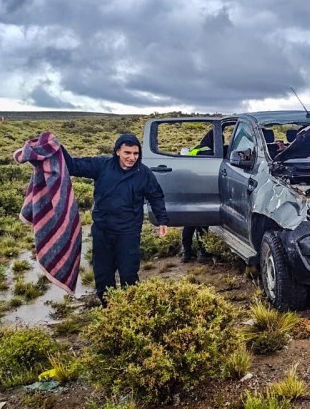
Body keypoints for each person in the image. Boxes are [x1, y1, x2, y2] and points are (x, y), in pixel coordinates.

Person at [61, 134, 169, 306]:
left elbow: (156, 196)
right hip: (103, 229)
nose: (132, 158)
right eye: (127, 152)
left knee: (129, 274)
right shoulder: (102, 165)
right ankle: (108, 308)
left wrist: (162, 220)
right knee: (103, 274)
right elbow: (73, 166)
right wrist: (56, 146)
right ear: (117, 151)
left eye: (135, 153)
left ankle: (129, 310)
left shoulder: (144, 173)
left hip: (129, 232)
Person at [181, 129, 213, 262]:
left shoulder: (195, 149)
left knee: (189, 224)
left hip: (189, 188)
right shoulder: (209, 151)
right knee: (202, 223)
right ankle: (203, 253)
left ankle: (186, 253)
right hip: (201, 189)